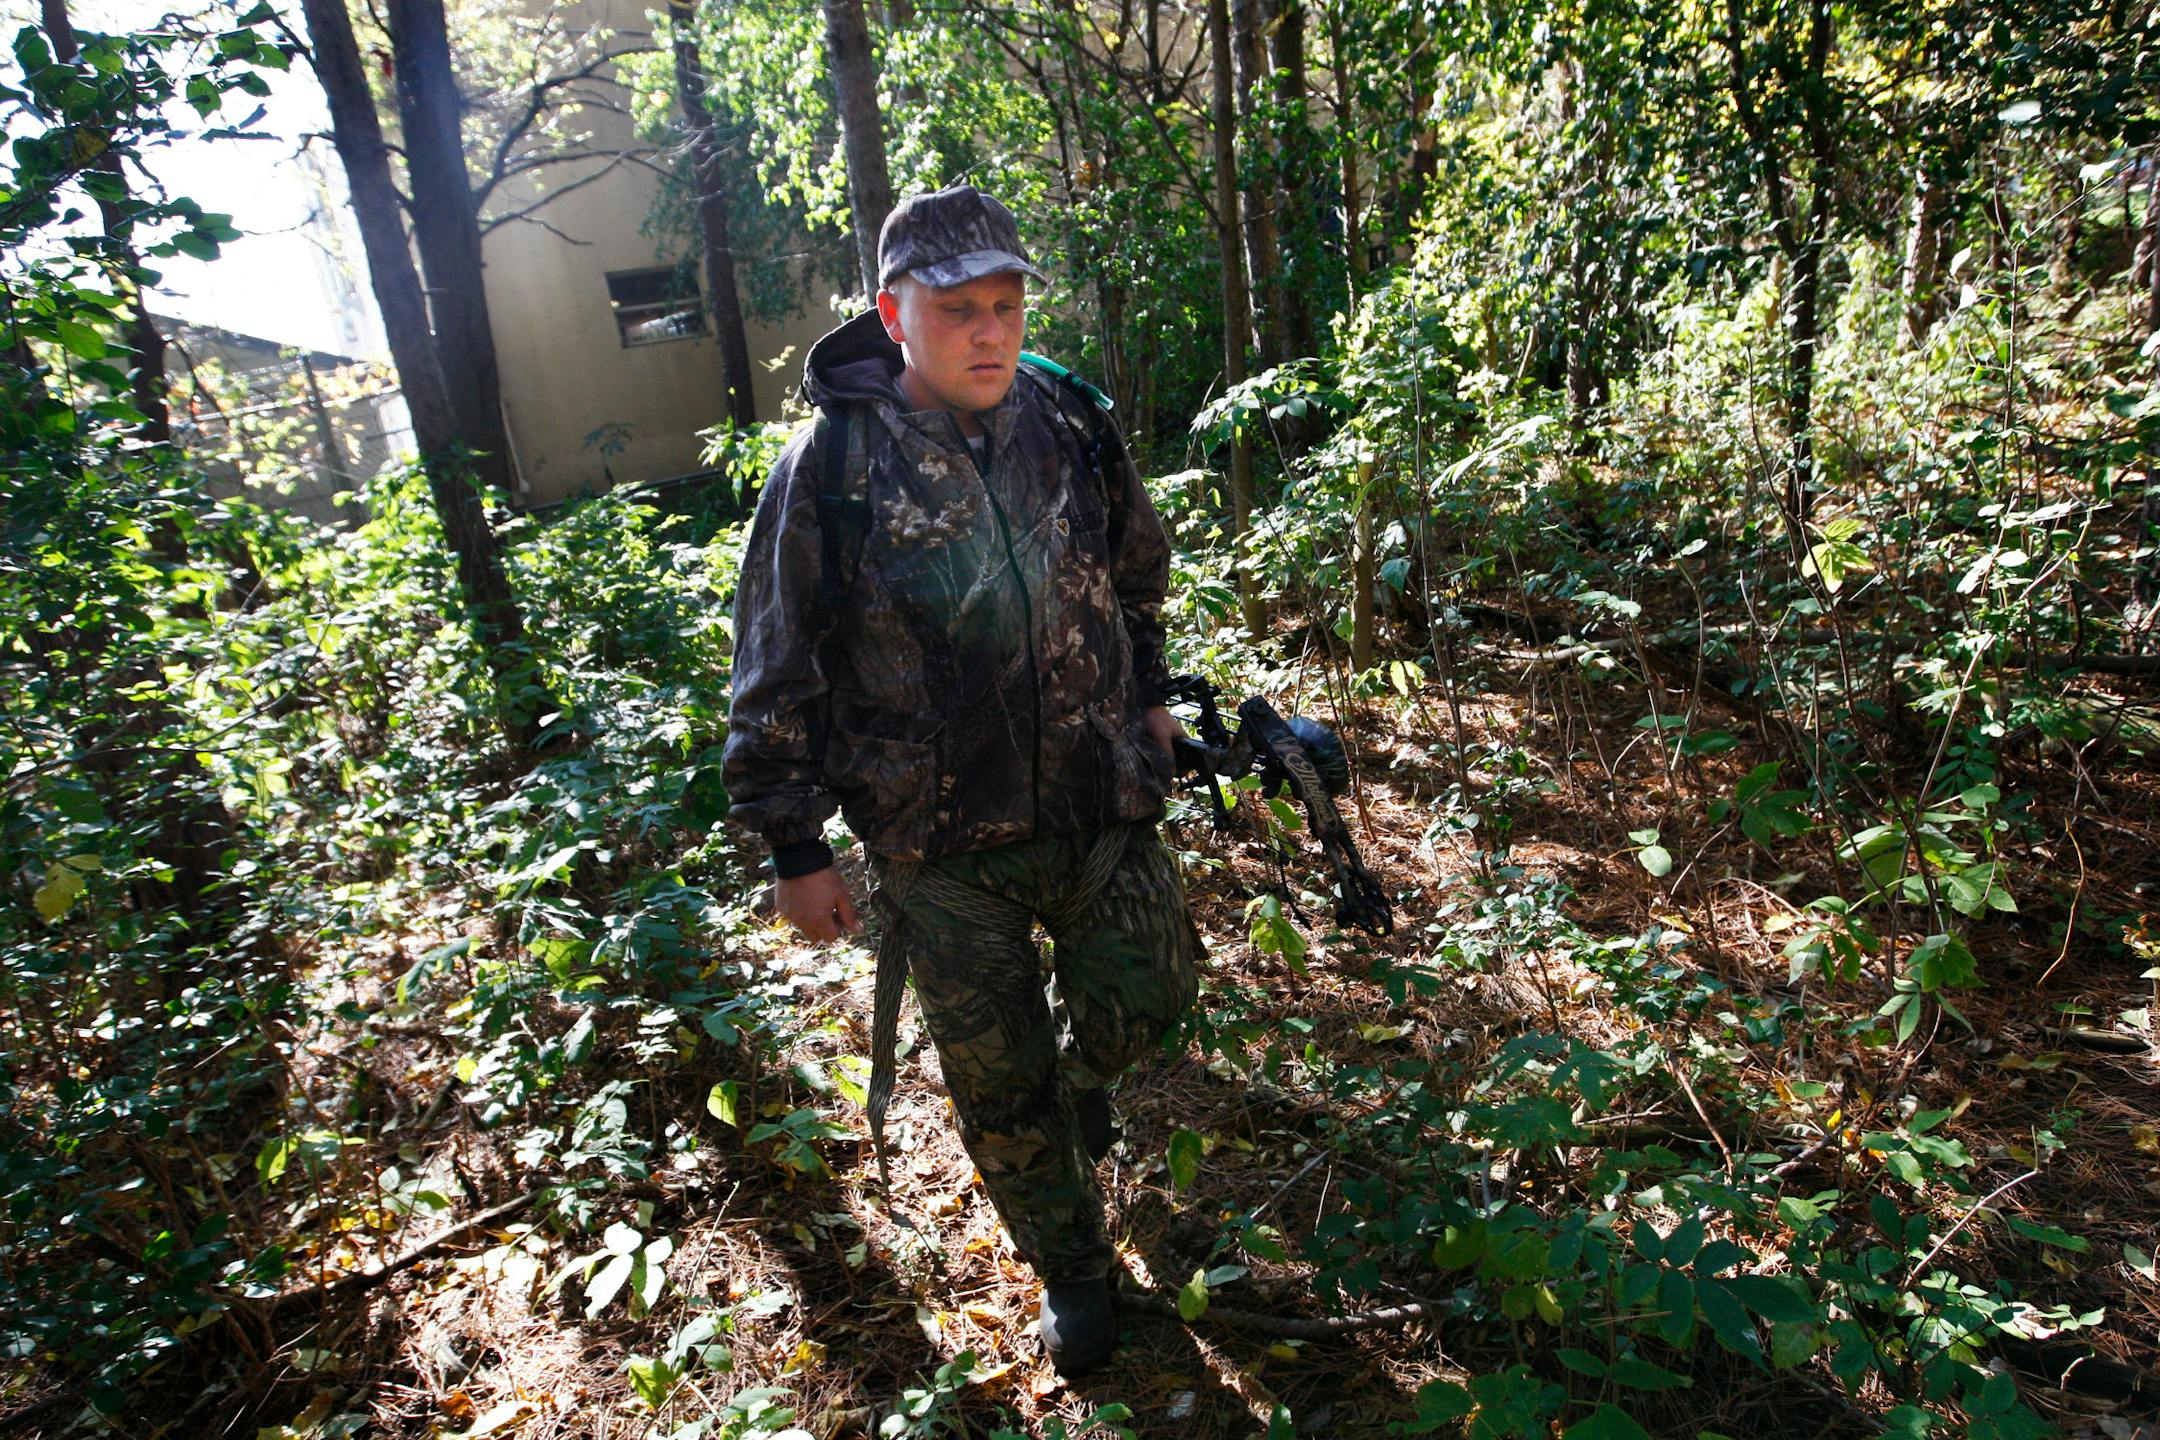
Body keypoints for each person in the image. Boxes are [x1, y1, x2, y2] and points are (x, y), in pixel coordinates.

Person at [721, 184, 1202, 1376]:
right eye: (957, 311)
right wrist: (795, 849)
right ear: (895, 315)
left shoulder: (1069, 419)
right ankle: (1077, 1275)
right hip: (938, 849)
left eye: (1006, 304)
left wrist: (1146, 699)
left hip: (1098, 798)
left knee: (1152, 996)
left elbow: (1135, 579)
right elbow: (775, 667)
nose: (990, 331)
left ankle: (1085, 1082)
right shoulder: (830, 464)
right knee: (1001, 1086)